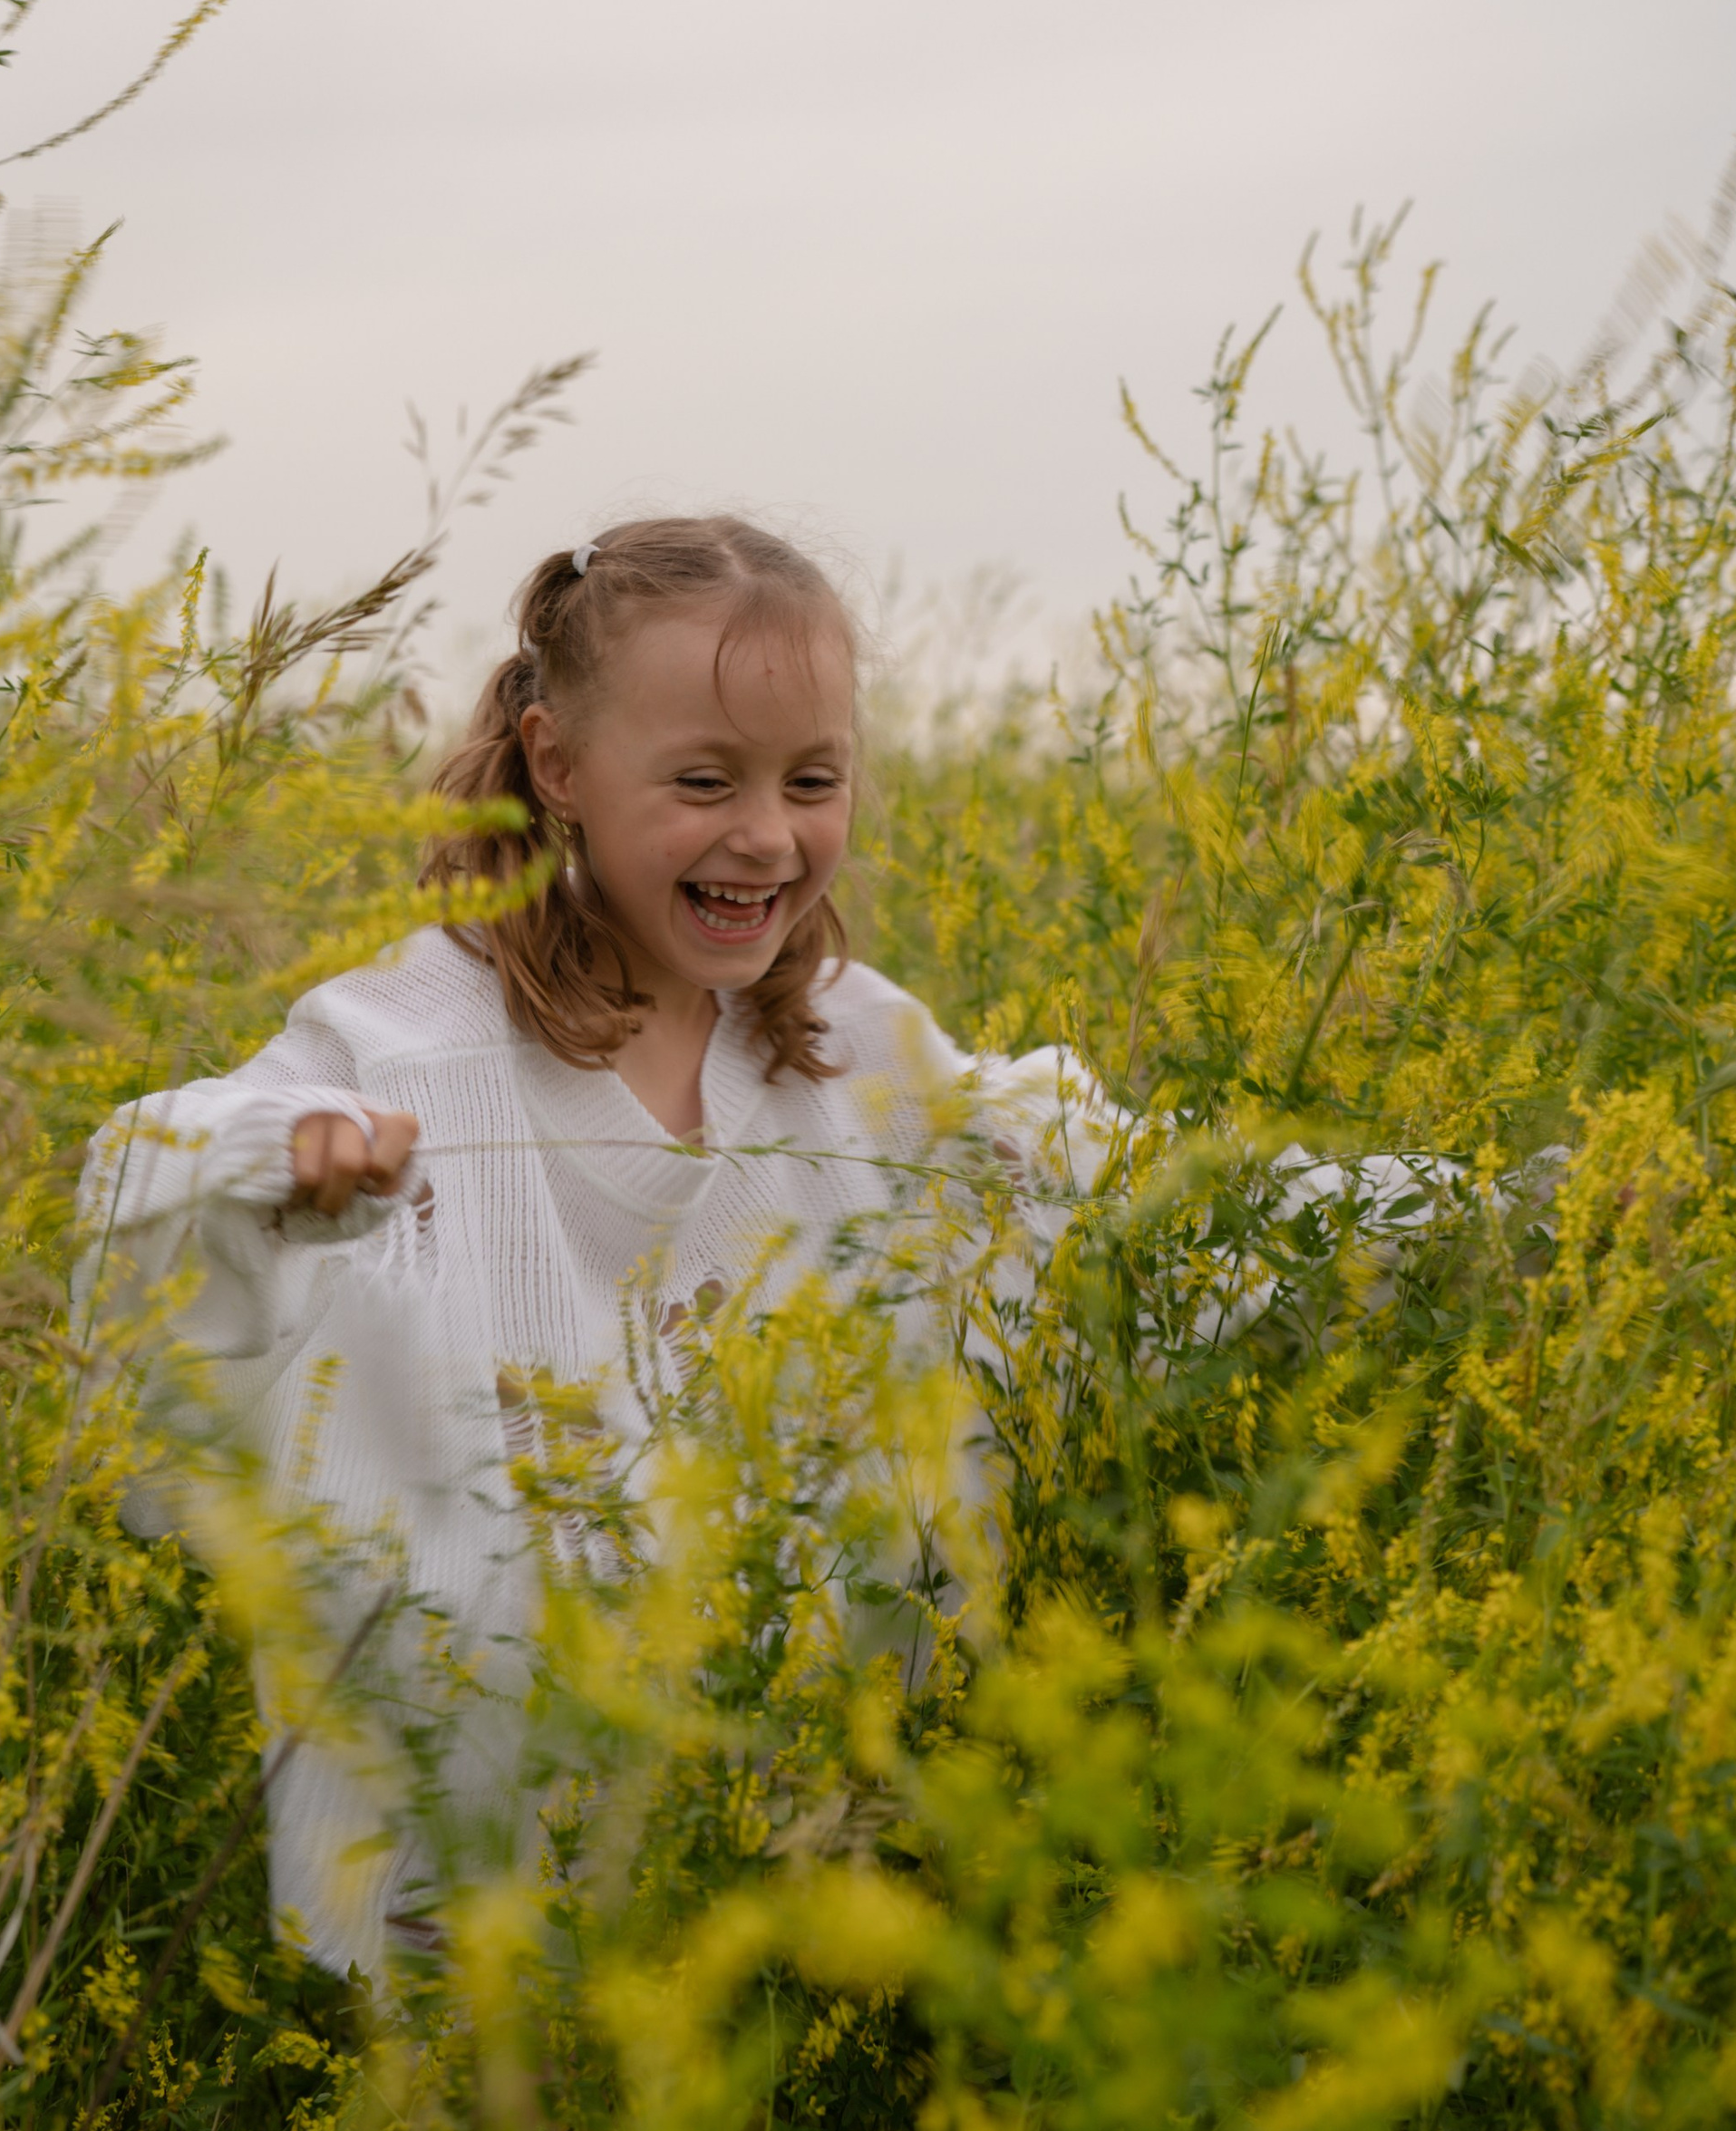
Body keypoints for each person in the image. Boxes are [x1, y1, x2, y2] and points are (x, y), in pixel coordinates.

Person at [76, 517, 1430, 1977]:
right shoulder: (409, 1044)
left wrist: (1475, 1209)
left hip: (791, 1890)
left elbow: (1132, 1214)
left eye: (813, 781)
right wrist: (293, 1170)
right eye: (704, 781)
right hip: (477, 1902)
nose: (767, 837)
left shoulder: (856, 1046)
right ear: (557, 766)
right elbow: (162, 1183)